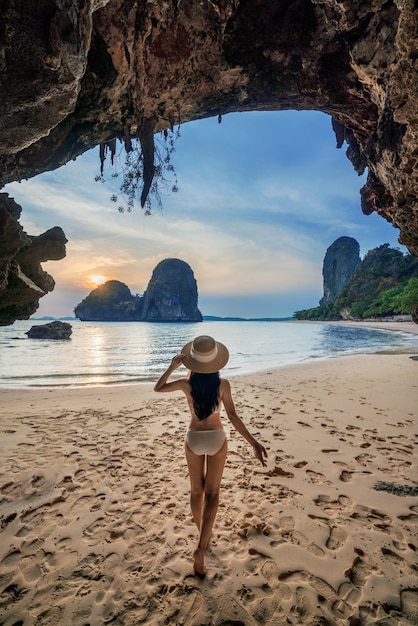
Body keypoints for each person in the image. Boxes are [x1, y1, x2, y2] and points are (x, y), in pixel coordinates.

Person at [154, 335, 268, 578]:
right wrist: (254, 442)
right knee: (213, 493)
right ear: (216, 362)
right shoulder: (223, 384)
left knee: (197, 491)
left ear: (192, 363)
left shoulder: (187, 385)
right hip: (216, 438)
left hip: (193, 438)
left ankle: (202, 534)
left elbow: (159, 388)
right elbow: (233, 417)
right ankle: (201, 547)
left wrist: (172, 366)